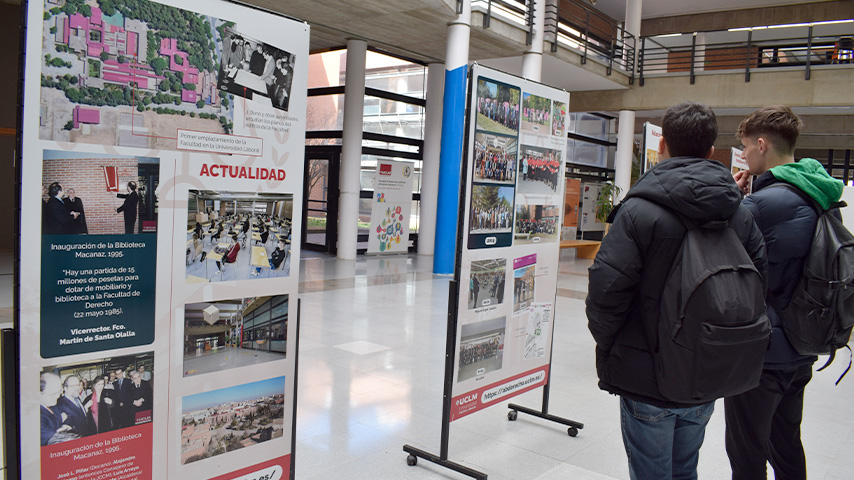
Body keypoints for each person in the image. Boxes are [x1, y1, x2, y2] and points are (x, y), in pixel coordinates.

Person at [586, 101, 767, 480]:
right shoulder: (740, 213)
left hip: (646, 375)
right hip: (708, 366)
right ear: (711, 151)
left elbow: (606, 290)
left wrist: (614, 345)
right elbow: (756, 286)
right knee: (685, 468)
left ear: (662, 145)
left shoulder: (638, 211)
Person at [725, 105, 845, 480]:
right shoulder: (821, 194)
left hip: (764, 352)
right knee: (786, 441)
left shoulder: (765, 203)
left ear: (762, 145)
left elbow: (724, 248)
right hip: (804, 342)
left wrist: (738, 198)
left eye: (744, 147)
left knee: (746, 451)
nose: (742, 155)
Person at [40, 372, 72, 445]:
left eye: (59, 392)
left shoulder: (53, 404)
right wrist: (59, 431)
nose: (57, 396)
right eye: (53, 394)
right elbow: (53, 438)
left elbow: (69, 416)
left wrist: (65, 425)